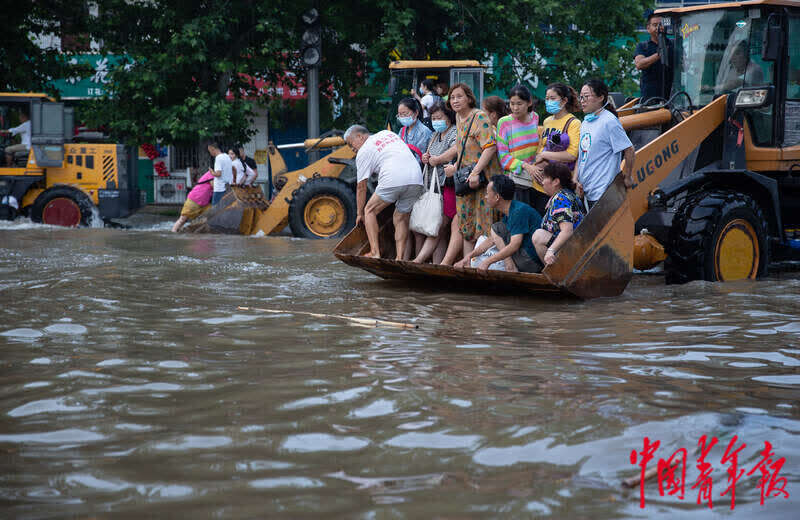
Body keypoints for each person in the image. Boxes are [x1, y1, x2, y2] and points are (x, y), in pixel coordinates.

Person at [442, 83, 502, 263]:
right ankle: (468, 265)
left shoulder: (479, 116)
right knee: (466, 224)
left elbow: (489, 147)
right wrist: (441, 161)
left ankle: (485, 265)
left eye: (459, 96)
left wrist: (475, 172)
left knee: (485, 223)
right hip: (466, 182)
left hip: (483, 181)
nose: (455, 100)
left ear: (469, 98)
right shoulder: (459, 119)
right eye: (452, 97)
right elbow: (460, 147)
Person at [345, 125, 423, 260]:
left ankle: (375, 252)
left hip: (393, 178)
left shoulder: (363, 151)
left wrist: (359, 213)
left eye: (351, 145)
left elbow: (361, 187)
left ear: (360, 136)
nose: (352, 149)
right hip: (416, 179)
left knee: (369, 211)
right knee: (400, 218)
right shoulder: (387, 133)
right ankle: (399, 258)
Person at [454, 175, 542, 273]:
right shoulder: (511, 211)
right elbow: (491, 240)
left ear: (497, 197)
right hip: (524, 259)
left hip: (531, 263)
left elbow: (514, 245)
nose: (485, 196)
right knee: (496, 230)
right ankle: (509, 266)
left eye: (487, 193)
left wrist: (488, 262)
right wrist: (469, 256)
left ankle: (511, 268)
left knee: (496, 228)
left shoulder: (519, 211)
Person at [577, 79, 635, 210]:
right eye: (580, 97)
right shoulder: (585, 123)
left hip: (603, 192)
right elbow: (582, 156)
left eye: (586, 96)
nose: (582, 100)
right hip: (587, 191)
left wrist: (628, 176)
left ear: (601, 97)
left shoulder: (609, 121)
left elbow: (629, 149)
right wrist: (577, 180)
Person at [413, 101, 458, 264]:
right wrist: (426, 158)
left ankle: (419, 260)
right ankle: (437, 264)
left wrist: (436, 160)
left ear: (449, 118)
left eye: (439, 117)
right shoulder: (434, 135)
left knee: (438, 226)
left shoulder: (455, 133)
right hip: (433, 186)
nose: (436, 121)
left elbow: (454, 151)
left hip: (448, 185)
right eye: (433, 118)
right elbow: (428, 155)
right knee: (440, 230)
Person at [495, 84, 544, 211]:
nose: (515, 108)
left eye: (519, 104)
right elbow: (503, 157)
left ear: (529, 103)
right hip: (516, 182)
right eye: (512, 104)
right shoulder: (504, 122)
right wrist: (526, 166)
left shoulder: (535, 117)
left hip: (537, 179)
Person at [532, 162, 585, 267]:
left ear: (556, 181)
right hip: (575, 246)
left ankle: (555, 274)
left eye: (545, 178)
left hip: (573, 248)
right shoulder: (567, 194)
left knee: (538, 236)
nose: (542, 182)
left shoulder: (560, 198)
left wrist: (550, 250)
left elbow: (567, 231)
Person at [534, 82, 581, 180]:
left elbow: (571, 155)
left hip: (560, 180)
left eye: (552, 98)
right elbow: (542, 146)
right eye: (547, 99)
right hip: (542, 179)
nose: (548, 102)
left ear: (564, 101)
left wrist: (544, 154)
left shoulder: (574, 123)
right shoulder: (547, 121)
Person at [634, 11, 673, 102]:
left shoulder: (673, 44)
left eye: (661, 25)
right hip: (650, 98)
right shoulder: (643, 46)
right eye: (655, 25)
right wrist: (659, 55)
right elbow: (639, 64)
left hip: (672, 98)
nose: (658, 28)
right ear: (648, 28)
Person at [397, 98, 432, 162]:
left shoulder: (424, 132)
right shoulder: (402, 130)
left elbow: (420, 158)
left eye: (405, 114)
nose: (402, 117)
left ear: (416, 113)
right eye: (400, 115)